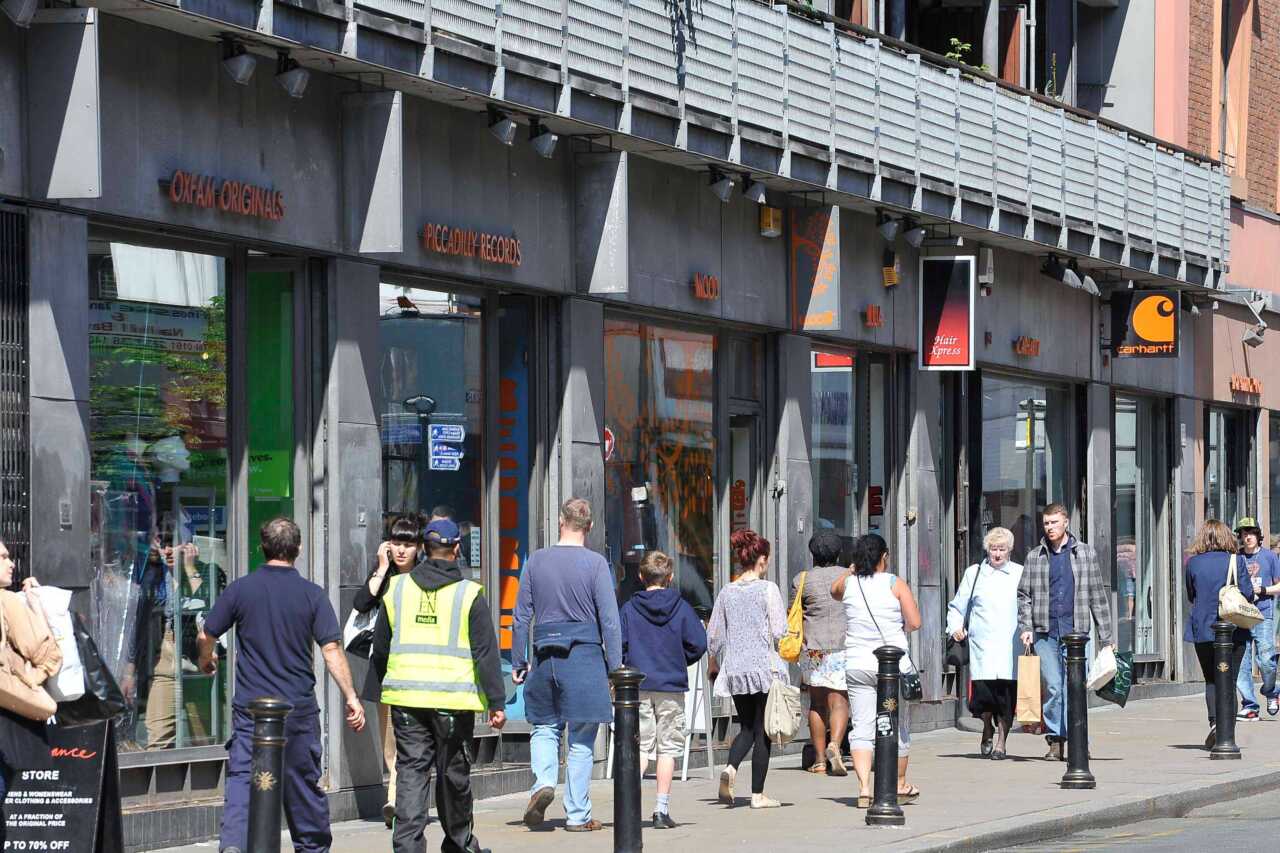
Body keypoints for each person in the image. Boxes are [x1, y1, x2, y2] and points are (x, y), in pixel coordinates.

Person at [198, 517, 366, 853]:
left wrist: (207, 658)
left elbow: (207, 633)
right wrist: (351, 696)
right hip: (298, 709)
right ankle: (312, 847)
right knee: (302, 783)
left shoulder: (240, 590)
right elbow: (331, 649)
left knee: (244, 779)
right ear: (299, 549)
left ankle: (234, 844)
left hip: (252, 711)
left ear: (262, 548)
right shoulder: (312, 595)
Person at [371, 519, 506, 853]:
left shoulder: (397, 589)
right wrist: (497, 702)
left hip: (406, 701)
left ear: (423, 549)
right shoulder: (468, 593)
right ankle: (460, 844)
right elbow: (486, 651)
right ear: (457, 549)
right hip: (452, 702)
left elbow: (381, 648)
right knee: (453, 776)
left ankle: (407, 846)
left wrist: (374, 692)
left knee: (411, 773)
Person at [512, 498, 621, 832]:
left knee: (544, 726)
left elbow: (520, 617)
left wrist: (519, 659)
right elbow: (610, 621)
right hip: (584, 656)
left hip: (545, 655)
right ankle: (577, 815)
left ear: (561, 520)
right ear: (588, 527)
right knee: (582, 737)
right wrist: (615, 668)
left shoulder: (537, 561)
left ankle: (543, 783)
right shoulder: (596, 564)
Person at [1017, 503, 1114, 761]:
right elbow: (1024, 595)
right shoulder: (1034, 557)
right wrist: (1026, 627)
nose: (1050, 528)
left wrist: (1107, 637)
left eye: (1054, 522)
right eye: (1046, 523)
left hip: (1076, 633)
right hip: (1045, 632)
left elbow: (1097, 595)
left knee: (1074, 689)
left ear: (1066, 523)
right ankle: (1055, 740)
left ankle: (1079, 741)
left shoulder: (1084, 554)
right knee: (1054, 688)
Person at [618, 551, 708, 829]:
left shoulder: (629, 609)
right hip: (671, 684)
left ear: (641, 576)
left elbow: (619, 646)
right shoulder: (681, 607)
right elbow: (699, 643)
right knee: (667, 748)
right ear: (670, 578)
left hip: (638, 687)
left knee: (640, 747)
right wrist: (680, 659)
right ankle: (661, 809)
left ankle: (629, 808)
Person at [831, 533, 921, 807]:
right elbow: (915, 622)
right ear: (884, 556)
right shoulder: (895, 583)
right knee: (897, 724)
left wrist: (851, 568)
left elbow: (833, 590)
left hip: (858, 664)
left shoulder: (848, 584)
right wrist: (898, 629)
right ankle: (898, 783)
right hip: (891, 665)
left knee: (862, 725)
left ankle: (864, 788)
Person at [707, 528, 786, 810]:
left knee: (746, 727)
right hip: (763, 668)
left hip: (736, 669)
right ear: (762, 559)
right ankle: (757, 795)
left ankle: (730, 768)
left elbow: (714, 633)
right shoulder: (768, 589)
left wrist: (713, 660)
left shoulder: (727, 591)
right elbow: (779, 630)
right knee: (762, 731)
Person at [352, 514, 423, 828]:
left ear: (419, 547)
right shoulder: (385, 576)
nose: (402, 550)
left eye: (408, 544)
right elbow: (361, 602)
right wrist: (381, 566)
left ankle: (397, 798)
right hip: (384, 667)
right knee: (389, 741)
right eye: (396, 543)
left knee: (413, 740)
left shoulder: (425, 578)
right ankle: (398, 797)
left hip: (417, 668)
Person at [0, 542, 61, 850]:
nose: (11, 563)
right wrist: (29, 682)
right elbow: (47, 654)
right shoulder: (7, 602)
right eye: (2, 557)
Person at [947, 527, 1024, 760]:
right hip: (982, 645)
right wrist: (956, 627)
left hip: (1010, 645)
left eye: (1001, 549)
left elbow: (1028, 604)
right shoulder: (975, 573)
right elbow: (958, 605)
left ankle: (1001, 741)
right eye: (993, 549)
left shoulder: (1020, 573)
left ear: (1009, 550)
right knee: (984, 698)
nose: (997, 554)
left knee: (1006, 698)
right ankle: (987, 726)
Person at [1186, 519, 1257, 748]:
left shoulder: (1193, 563)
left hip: (1204, 630)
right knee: (1229, 679)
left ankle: (1215, 723)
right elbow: (1247, 594)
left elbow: (1191, 594)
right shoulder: (1236, 561)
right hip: (1233, 629)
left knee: (1211, 679)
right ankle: (1227, 733)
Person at [792, 530, 851, 776]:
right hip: (842, 645)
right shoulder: (848, 576)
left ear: (813, 554)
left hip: (812, 648)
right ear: (838, 553)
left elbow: (793, 611)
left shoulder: (802, 579)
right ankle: (835, 746)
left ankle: (818, 760)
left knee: (817, 703)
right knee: (839, 702)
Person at [1232, 517, 1280, 719]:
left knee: (1267, 659)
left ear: (1259, 536)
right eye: (1244, 533)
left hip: (1263, 614)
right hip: (1241, 616)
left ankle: (1271, 691)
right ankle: (1250, 706)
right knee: (1241, 663)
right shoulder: (1236, 558)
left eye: (1251, 533)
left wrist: (1263, 589)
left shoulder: (1269, 557)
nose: (1247, 537)